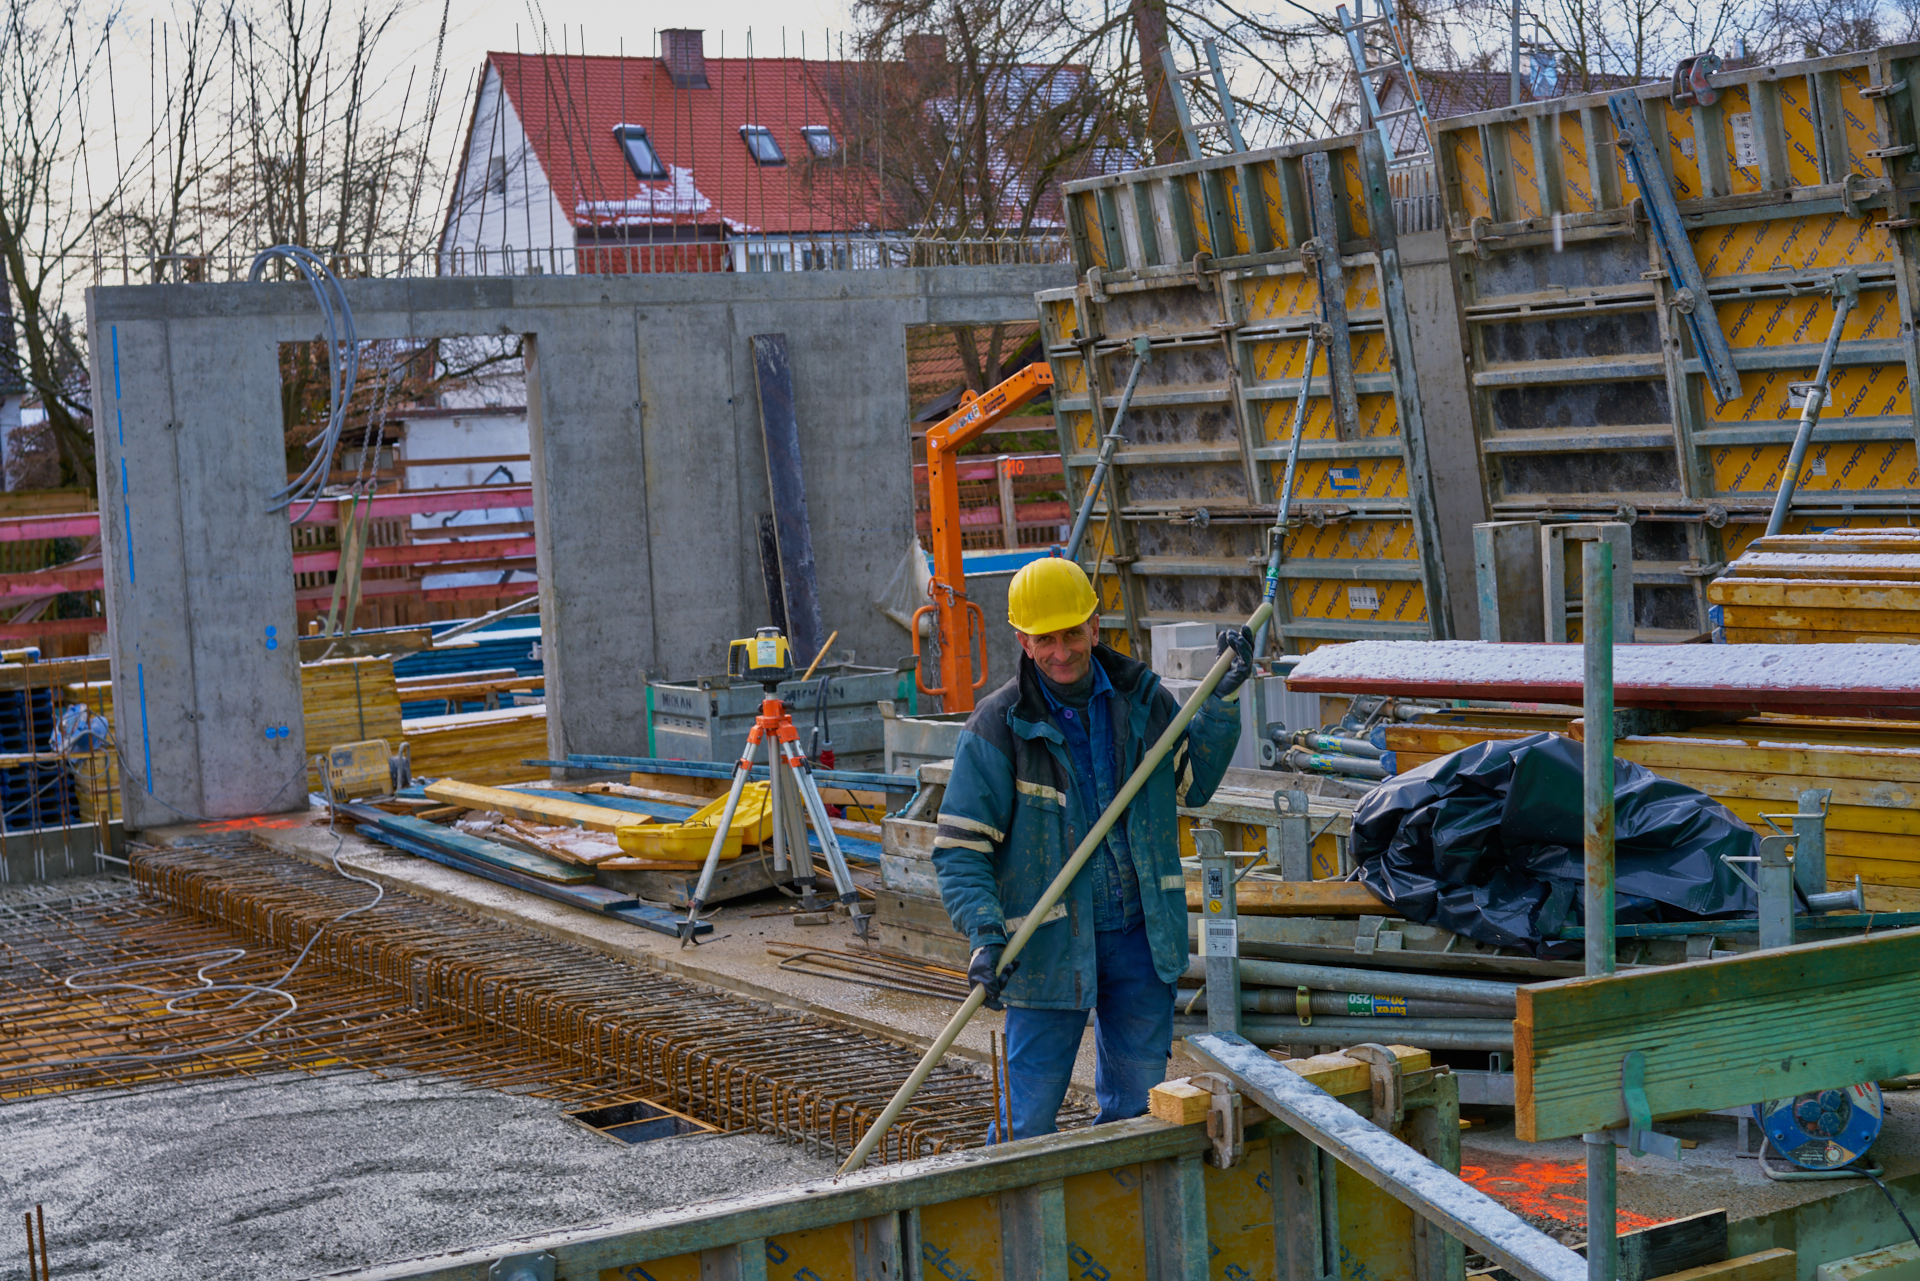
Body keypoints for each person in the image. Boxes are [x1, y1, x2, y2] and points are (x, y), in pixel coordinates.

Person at [932, 557, 1251, 1140]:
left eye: (1072, 634)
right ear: (1024, 642)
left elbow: (1193, 784)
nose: (1061, 652)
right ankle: (1022, 1223)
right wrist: (984, 935)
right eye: (1045, 639)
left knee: (1136, 1116)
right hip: (1046, 946)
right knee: (1026, 1125)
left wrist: (1221, 704)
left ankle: (1121, 1222)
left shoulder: (1140, 697)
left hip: (1140, 938)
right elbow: (960, 849)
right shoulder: (998, 726)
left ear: (1095, 627)